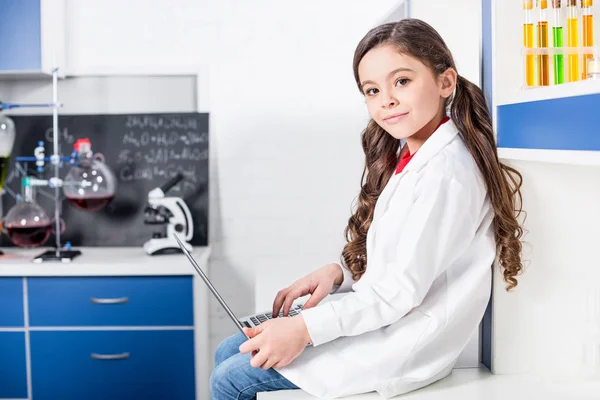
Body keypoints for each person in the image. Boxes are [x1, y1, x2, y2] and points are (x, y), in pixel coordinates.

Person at [210, 18, 524, 400]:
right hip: (388, 324)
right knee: (230, 348)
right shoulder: (414, 156)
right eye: (372, 90)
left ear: (446, 82)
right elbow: (402, 260)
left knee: (230, 378)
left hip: (403, 346)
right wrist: (338, 274)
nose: (386, 100)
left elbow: (396, 293)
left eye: (402, 81)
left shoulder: (447, 175)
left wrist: (304, 329)